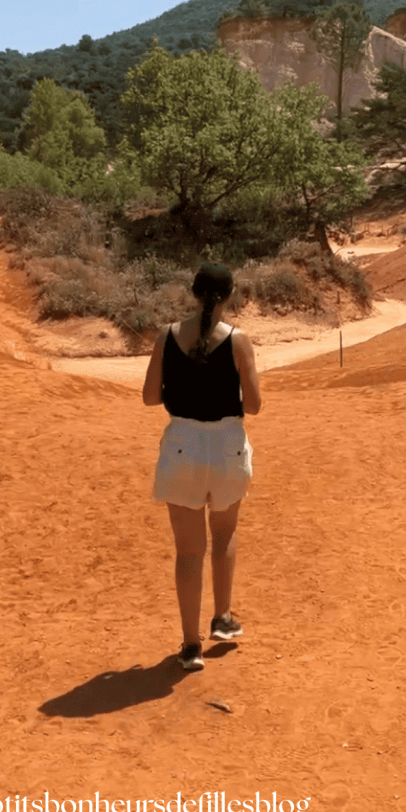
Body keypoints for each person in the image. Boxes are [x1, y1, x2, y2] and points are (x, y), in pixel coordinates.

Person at [142, 263, 261, 671]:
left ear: (193, 293)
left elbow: (149, 398)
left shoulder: (167, 336)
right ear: (230, 294)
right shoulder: (238, 341)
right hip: (226, 443)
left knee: (188, 550)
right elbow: (256, 404)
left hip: (182, 445)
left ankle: (190, 644)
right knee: (224, 533)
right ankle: (223, 620)